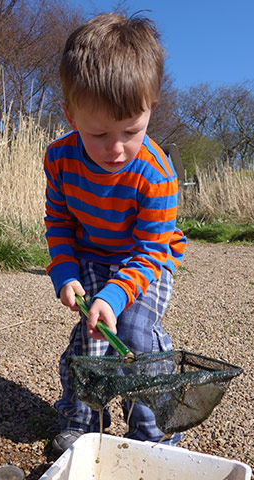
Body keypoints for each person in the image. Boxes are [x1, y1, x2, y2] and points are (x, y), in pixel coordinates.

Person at [43, 12, 187, 457]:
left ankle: (155, 429)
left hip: (146, 260)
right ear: (70, 115)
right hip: (90, 254)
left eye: (131, 131)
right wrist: (65, 274)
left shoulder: (156, 174)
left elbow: (149, 250)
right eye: (99, 133)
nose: (116, 148)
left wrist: (115, 295)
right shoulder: (60, 159)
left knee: (135, 335)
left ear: (151, 108)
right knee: (93, 337)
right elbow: (59, 223)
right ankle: (83, 421)